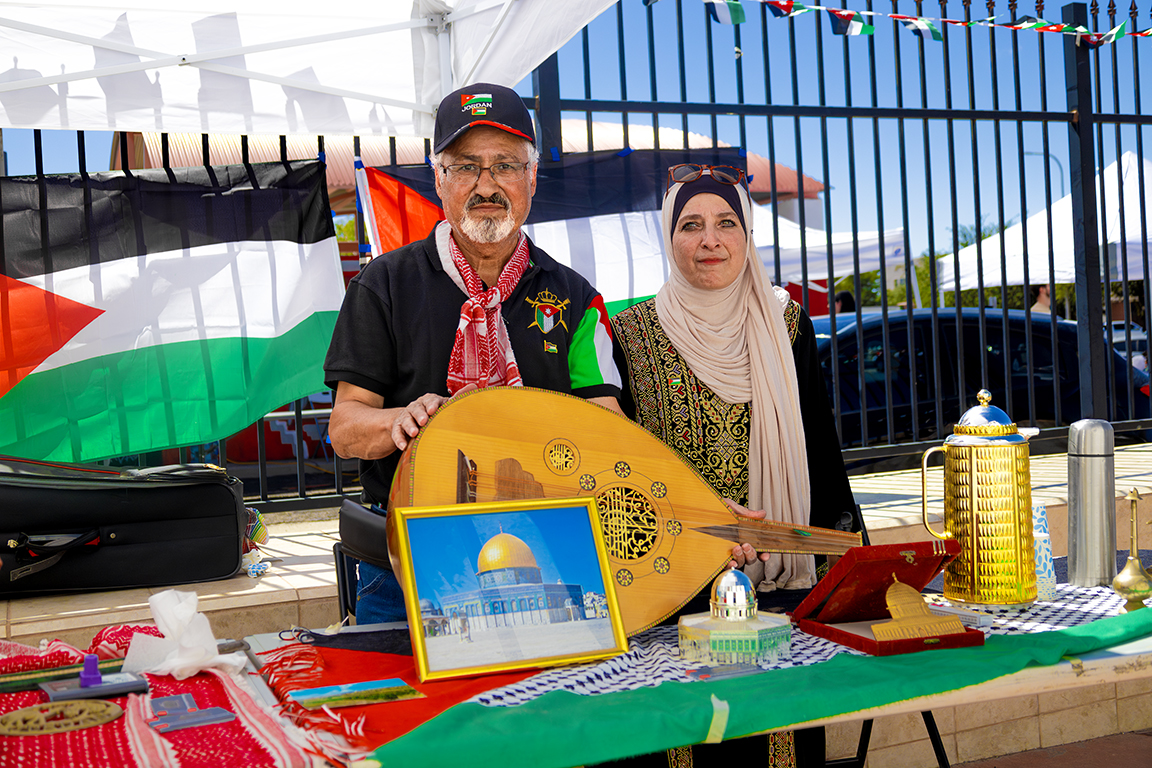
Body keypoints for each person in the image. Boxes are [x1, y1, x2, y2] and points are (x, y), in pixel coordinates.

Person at [324, 83, 623, 624]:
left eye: (505, 165)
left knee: (548, 704)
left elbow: (607, 429)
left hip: (547, 558)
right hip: (404, 560)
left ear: (532, 178)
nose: (487, 185)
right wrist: (400, 420)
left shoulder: (578, 300)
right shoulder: (384, 285)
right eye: (466, 167)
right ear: (439, 180)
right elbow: (345, 430)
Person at [610, 164, 858, 766]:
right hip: (677, 577)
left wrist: (844, 548)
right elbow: (623, 466)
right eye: (690, 225)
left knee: (780, 735)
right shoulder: (629, 332)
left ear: (747, 235)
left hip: (779, 571)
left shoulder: (784, 320)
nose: (710, 240)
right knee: (689, 737)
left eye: (727, 223)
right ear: (669, 239)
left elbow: (817, 438)